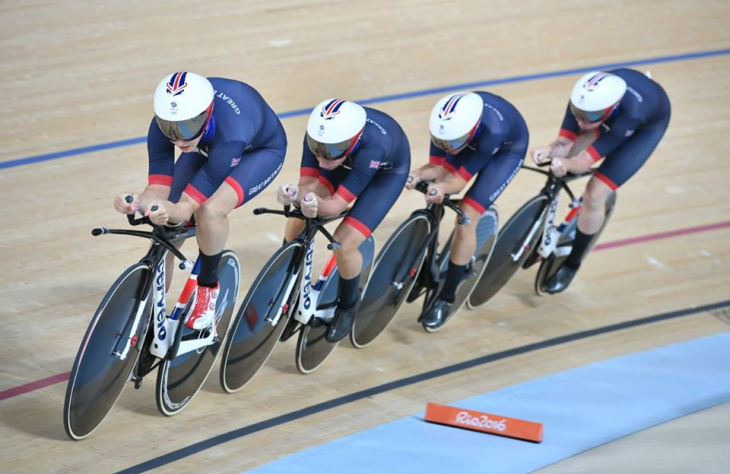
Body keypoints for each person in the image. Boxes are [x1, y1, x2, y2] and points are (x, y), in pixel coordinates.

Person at [113, 71, 287, 330]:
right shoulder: (167, 124)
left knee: (209, 211)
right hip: (206, 143)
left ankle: (208, 289)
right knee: (166, 226)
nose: (178, 138)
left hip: (258, 152)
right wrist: (139, 202)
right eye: (170, 128)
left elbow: (185, 209)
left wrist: (168, 210)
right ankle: (147, 311)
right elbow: (158, 189)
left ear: (206, 113)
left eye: (186, 127)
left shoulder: (231, 135)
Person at [277, 98, 411, 343]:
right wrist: (294, 197)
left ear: (352, 141)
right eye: (317, 149)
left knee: (343, 242)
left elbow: (334, 207)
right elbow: (307, 186)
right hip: (345, 161)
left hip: (385, 175)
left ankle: (348, 307)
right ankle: (289, 288)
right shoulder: (320, 140)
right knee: (300, 217)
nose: (320, 160)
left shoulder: (373, 148)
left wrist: (313, 203)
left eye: (328, 151)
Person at [531, 69, 671, 293]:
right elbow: (564, 144)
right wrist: (549, 150)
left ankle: (572, 264)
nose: (580, 121)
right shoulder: (581, 101)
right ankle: (539, 223)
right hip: (614, 115)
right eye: (578, 113)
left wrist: (567, 164)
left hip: (645, 127)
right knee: (566, 152)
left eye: (589, 116)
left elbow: (584, 162)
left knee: (594, 193)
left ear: (611, 109)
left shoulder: (631, 114)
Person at [407, 91, 528, 330]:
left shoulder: (493, 131)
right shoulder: (445, 128)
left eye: (450, 144)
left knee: (466, 217)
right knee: (435, 192)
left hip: (505, 152)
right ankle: (430, 259)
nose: (446, 147)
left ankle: (447, 297)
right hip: (470, 139)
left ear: (470, 131)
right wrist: (417, 175)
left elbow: (458, 181)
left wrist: (441, 187)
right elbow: (437, 168)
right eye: (442, 142)